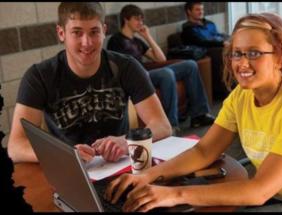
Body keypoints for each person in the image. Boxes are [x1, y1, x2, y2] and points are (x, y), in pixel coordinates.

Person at [104, 13, 282, 212]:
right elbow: (204, 150)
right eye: (236, 53)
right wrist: (148, 176)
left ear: (280, 57)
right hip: (275, 197)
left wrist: (173, 194)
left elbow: (259, 190)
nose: (241, 63)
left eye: (254, 53)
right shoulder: (242, 97)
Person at [7, 2, 172, 164]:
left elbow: (162, 126)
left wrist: (126, 141)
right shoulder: (39, 76)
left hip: (120, 165)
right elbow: (16, 147)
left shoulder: (127, 67)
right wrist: (67, 154)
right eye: (77, 33)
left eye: (94, 32)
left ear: (104, 31)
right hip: (70, 170)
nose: (87, 42)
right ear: (61, 33)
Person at [107, 4, 215, 132]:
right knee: (166, 73)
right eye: (137, 19)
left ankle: (199, 115)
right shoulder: (116, 40)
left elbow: (161, 59)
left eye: (142, 19)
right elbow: (116, 68)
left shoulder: (137, 41)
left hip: (147, 73)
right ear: (126, 19)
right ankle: (171, 124)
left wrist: (147, 36)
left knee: (190, 65)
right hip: (137, 77)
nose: (140, 23)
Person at [182, 2, 230, 99]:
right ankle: (225, 91)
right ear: (189, 12)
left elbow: (217, 35)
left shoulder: (209, 23)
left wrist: (228, 39)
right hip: (207, 50)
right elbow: (201, 42)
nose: (201, 12)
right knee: (222, 52)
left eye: (202, 9)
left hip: (220, 46)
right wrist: (221, 43)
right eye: (197, 9)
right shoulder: (188, 29)